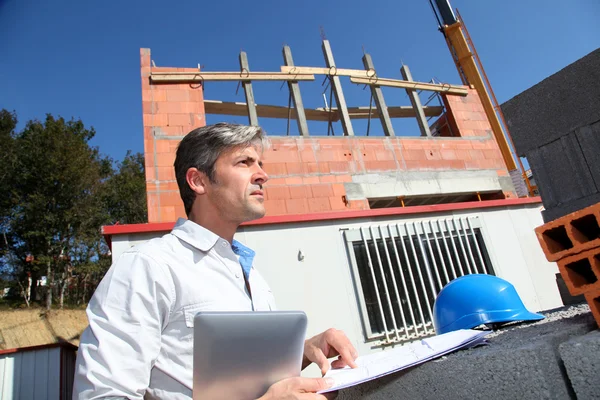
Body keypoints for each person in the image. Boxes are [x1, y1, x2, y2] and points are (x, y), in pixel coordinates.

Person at [74, 123, 358, 399]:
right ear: (198, 181)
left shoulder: (251, 276)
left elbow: (246, 384)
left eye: (260, 163)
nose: (262, 175)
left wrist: (305, 352)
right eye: (244, 163)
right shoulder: (149, 266)